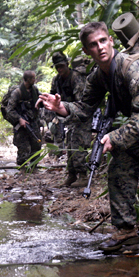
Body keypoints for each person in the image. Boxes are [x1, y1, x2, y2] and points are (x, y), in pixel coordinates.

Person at [38, 22, 139, 252]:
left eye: (103, 41)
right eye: (93, 45)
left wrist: (114, 137)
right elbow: (84, 108)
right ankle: (126, 230)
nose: (100, 48)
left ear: (111, 41)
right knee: (119, 165)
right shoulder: (98, 76)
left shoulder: (135, 70)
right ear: (86, 51)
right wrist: (60, 107)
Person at [49, 51, 92, 187]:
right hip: (68, 117)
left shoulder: (76, 77)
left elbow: (82, 102)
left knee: (78, 144)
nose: (60, 70)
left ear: (68, 64)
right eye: (57, 67)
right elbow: (52, 97)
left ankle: (83, 175)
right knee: (69, 145)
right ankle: (72, 175)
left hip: (82, 115)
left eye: (62, 66)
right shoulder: (57, 80)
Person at [6, 70, 42, 168]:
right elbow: (9, 109)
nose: (35, 80)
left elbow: (40, 99)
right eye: (33, 78)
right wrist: (19, 119)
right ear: (28, 79)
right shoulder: (17, 92)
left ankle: (34, 167)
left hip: (33, 122)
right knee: (23, 148)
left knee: (37, 144)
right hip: (22, 124)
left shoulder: (34, 90)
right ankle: (22, 168)